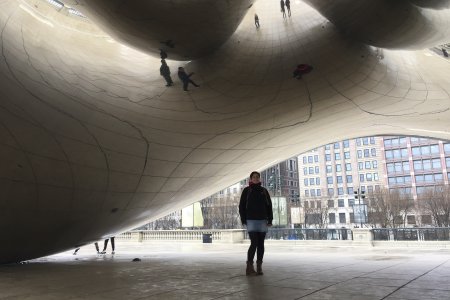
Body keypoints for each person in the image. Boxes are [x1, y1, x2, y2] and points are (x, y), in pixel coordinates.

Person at [239, 171, 273, 276]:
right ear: (250, 179)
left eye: (257, 177)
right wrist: (243, 219)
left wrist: (270, 219)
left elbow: (269, 206)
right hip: (251, 220)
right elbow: (241, 206)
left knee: (261, 244)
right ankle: (249, 267)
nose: (256, 178)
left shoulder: (264, 191)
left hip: (262, 220)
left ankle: (259, 267)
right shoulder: (246, 190)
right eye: (253, 177)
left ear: (259, 179)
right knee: (254, 243)